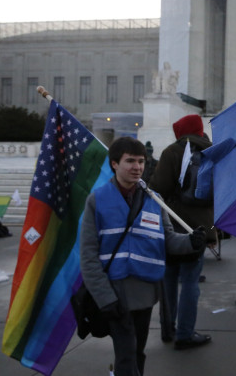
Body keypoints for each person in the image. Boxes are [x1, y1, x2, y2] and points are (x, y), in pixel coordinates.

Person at [79, 136, 206, 376]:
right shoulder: (97, 200)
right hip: (114, 292)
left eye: (141, 161)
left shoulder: (154, 199)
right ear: (114, 164)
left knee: (137, 351)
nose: (137, 167)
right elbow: (88, 255)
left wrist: (191, 242)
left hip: (146, 292)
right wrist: (105, 298)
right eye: (130, 161)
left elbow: (168, 240)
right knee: (127, 354)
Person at [148, 114, 216, 350]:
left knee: (168, 280)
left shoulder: (172, 152)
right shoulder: (212, 152)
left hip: (172, 224)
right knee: (190, 282)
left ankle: (168, 328)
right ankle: (185, 334)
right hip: (199, 227)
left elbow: (157, 188)